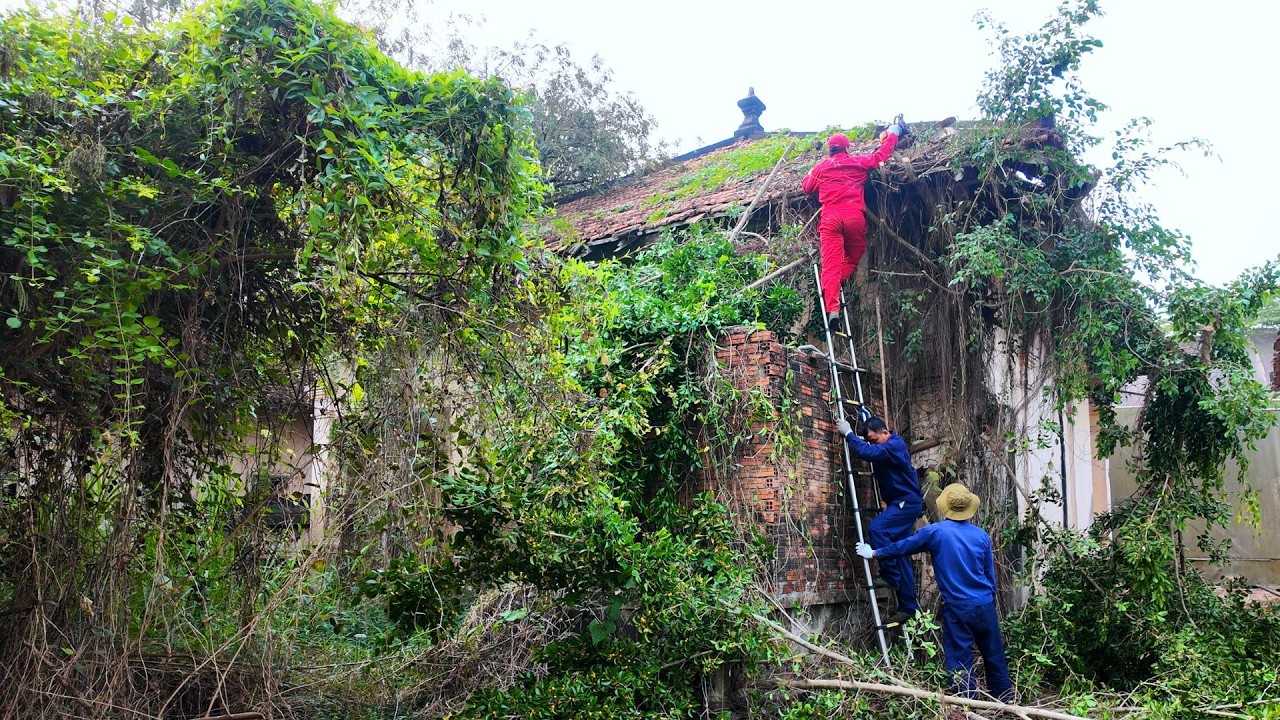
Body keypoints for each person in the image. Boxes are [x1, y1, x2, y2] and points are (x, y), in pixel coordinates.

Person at [855, 483, 1013, 702]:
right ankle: (1007, 705)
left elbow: (904, 546)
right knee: (994, 656)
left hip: (958, 607)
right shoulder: (981, 536)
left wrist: (874, 552)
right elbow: (990, 576)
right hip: (984, 604)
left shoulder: (935, 532)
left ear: (945, 507)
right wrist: (989, 603)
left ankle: (967, 708)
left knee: (960, 660)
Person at [802, 115, 908, 328]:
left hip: (830, 220)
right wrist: (894, 133)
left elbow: (806, 187)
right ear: (847, 149)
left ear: (829, 150)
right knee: (854, 254)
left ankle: (832, 307)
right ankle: (835, 281)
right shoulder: (856, 163)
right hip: (853, 218)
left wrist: (811, 171)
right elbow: (881, 156)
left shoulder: (822, 167)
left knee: (829, 267)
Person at [834, 414, 923, 623]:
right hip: (900, 503)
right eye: (871, 440)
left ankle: (890, 574)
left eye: (875, 439)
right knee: (901, 553)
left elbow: (867, 451)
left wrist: (848, 432)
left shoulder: (894, 445)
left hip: (906, 503)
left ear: (885, 432)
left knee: (877, 529)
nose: (873, 443)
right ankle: (908, 606)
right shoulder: (887, 444)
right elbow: (871, 448)